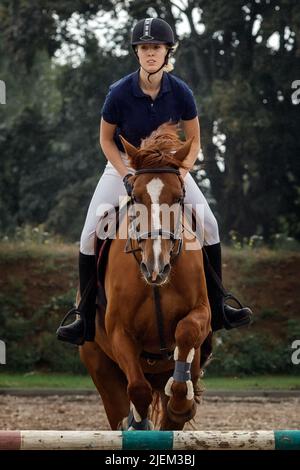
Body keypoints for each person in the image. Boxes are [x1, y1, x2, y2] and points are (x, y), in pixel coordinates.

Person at [56, 17, 252, 345]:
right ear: (137, 53)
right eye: (144, 48)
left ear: (166, 52)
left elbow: (195, 142)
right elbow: (106, 141)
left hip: (171, 171)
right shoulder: (119, 92)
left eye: (156, 48)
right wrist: (126, 175)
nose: (150, 53)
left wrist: (181, 174)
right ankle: (85, 317)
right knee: (90, 233)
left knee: (211, 225)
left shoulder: (182, 92)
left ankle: (219, 308)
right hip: (125, 167)